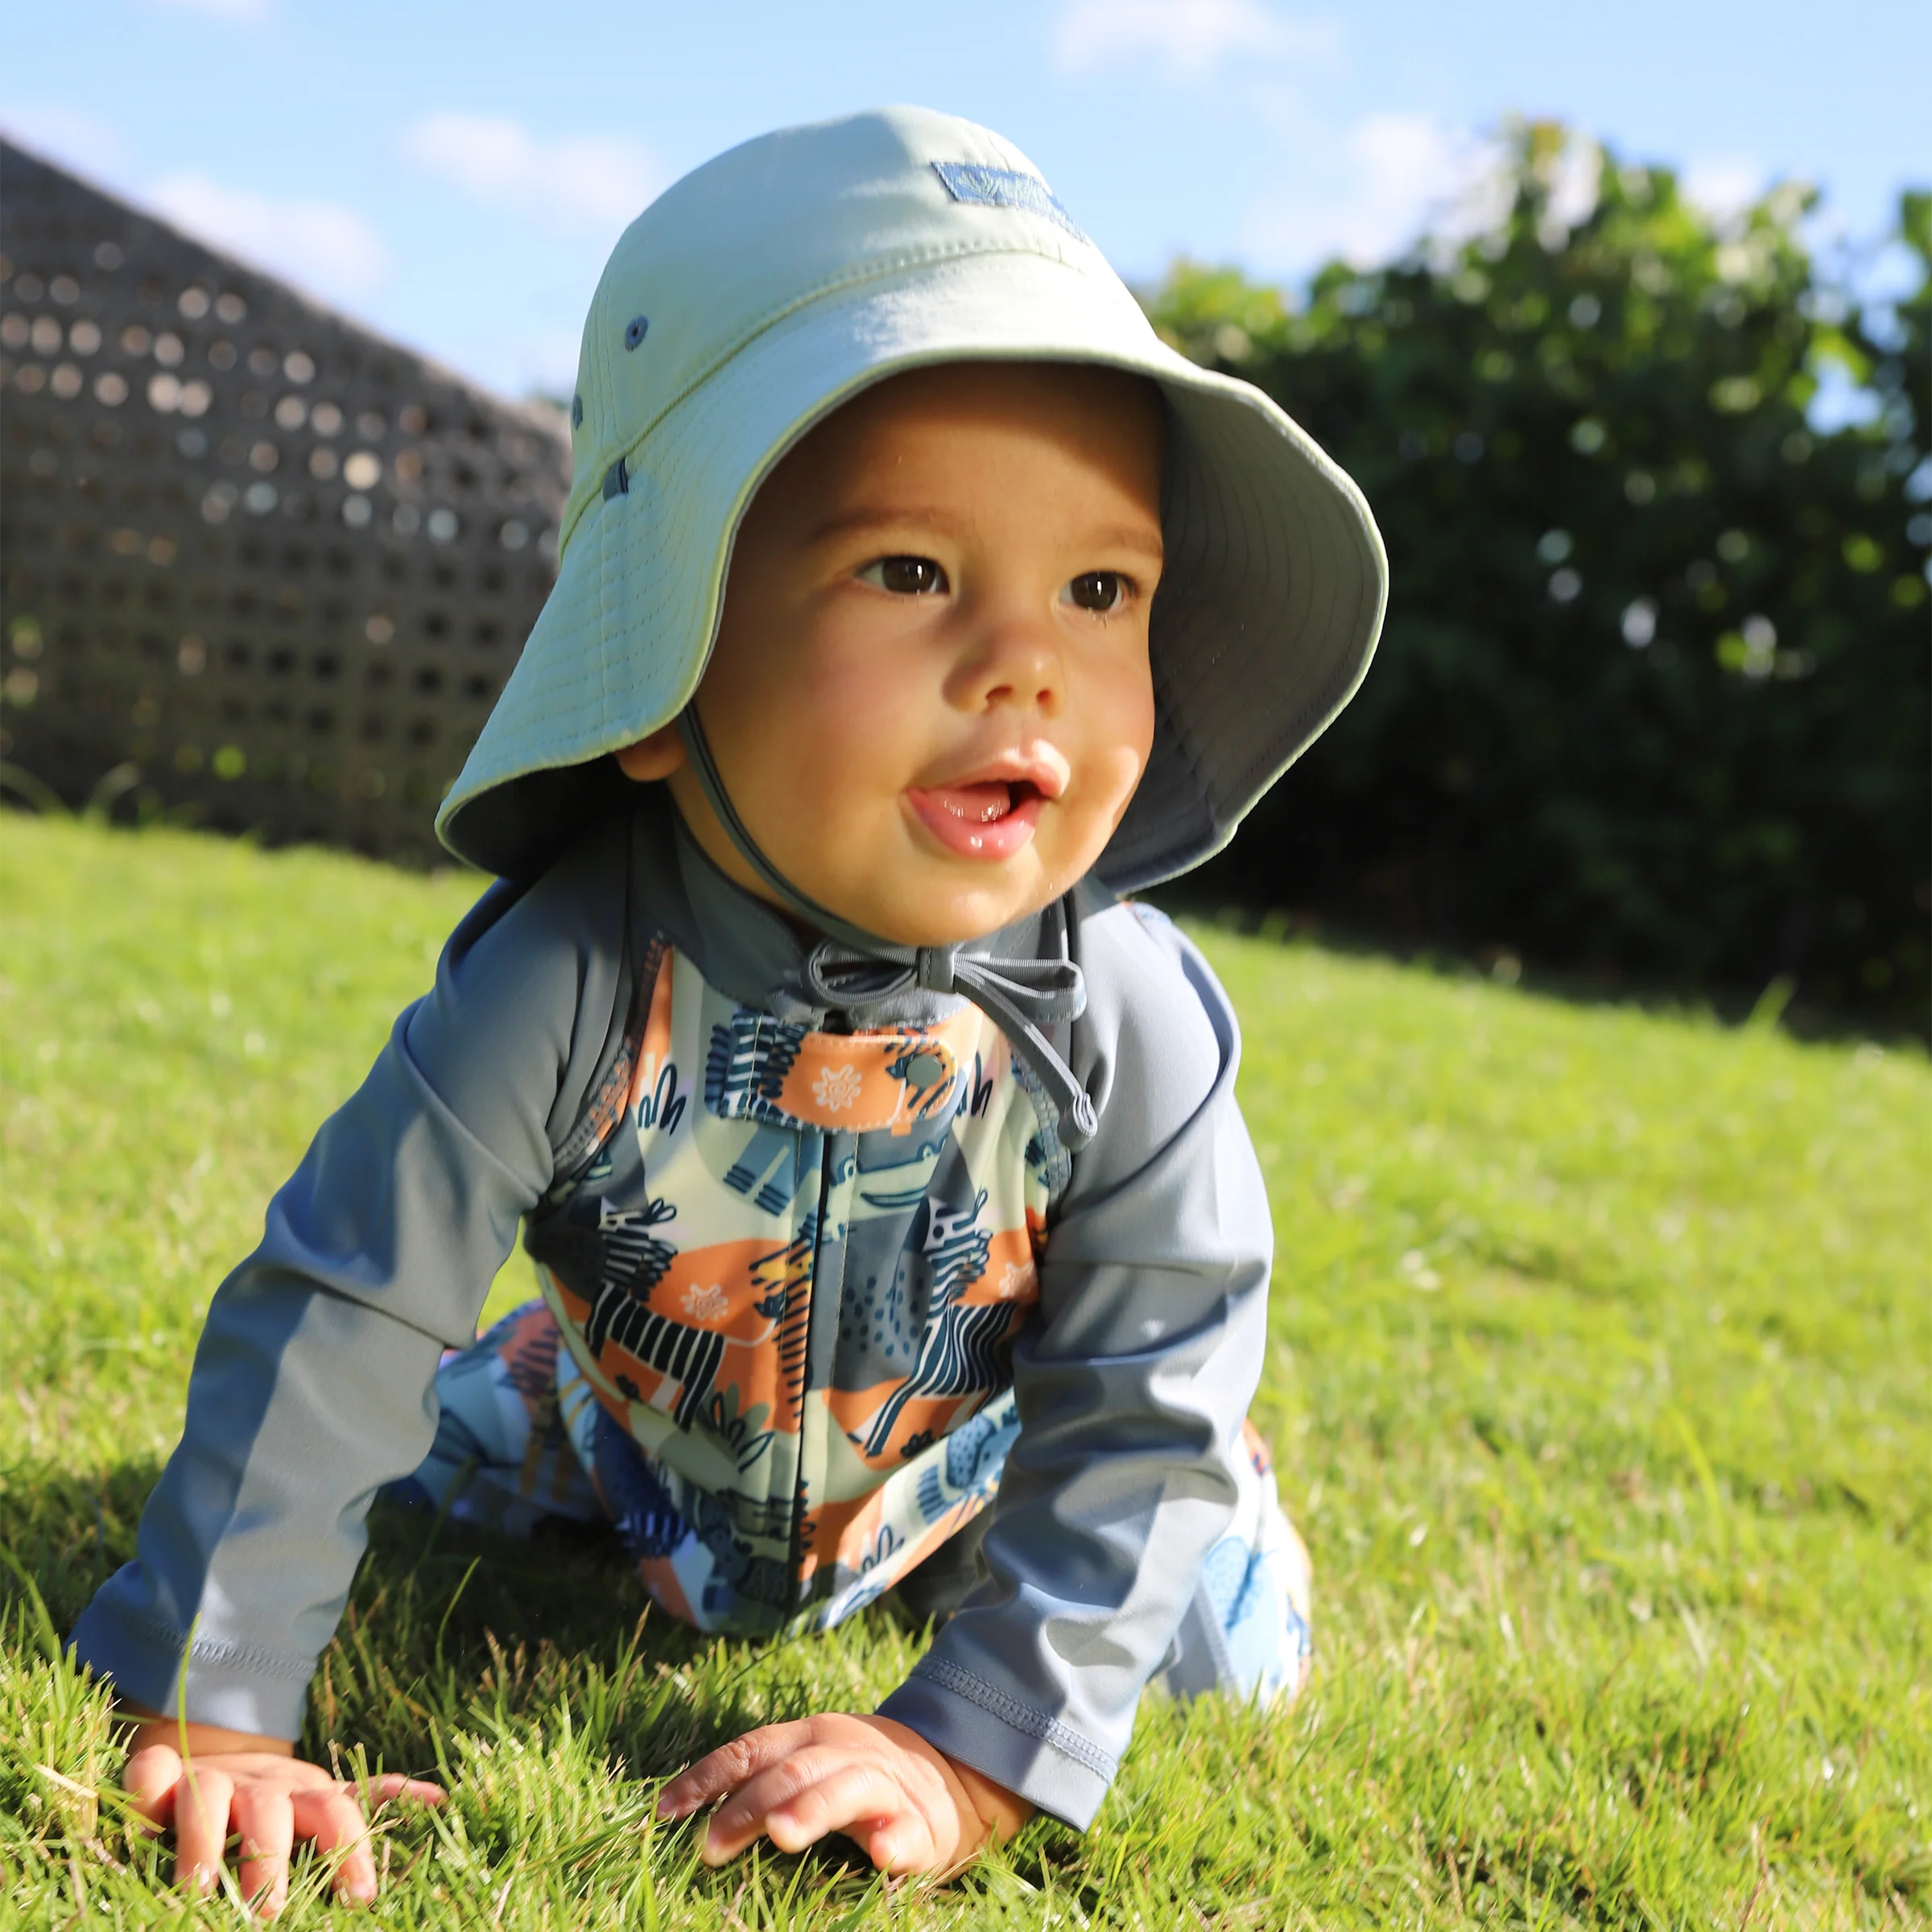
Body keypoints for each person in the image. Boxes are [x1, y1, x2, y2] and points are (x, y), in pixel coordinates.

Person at [70, 105, 1386, 1911]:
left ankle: (1160, 1544)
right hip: (637, 1431)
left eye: (1102, 590)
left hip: (984, 1462)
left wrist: (966, 1755)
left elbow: (1147, 1380)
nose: (1028, 663)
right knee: (424, 1446)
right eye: (911, 571)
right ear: (663, 653)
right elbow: (345, 1306)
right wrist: (218, 1705)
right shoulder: (565, 975)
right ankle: (550, 1406)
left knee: (1208, 1636)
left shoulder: (1125, 1017)